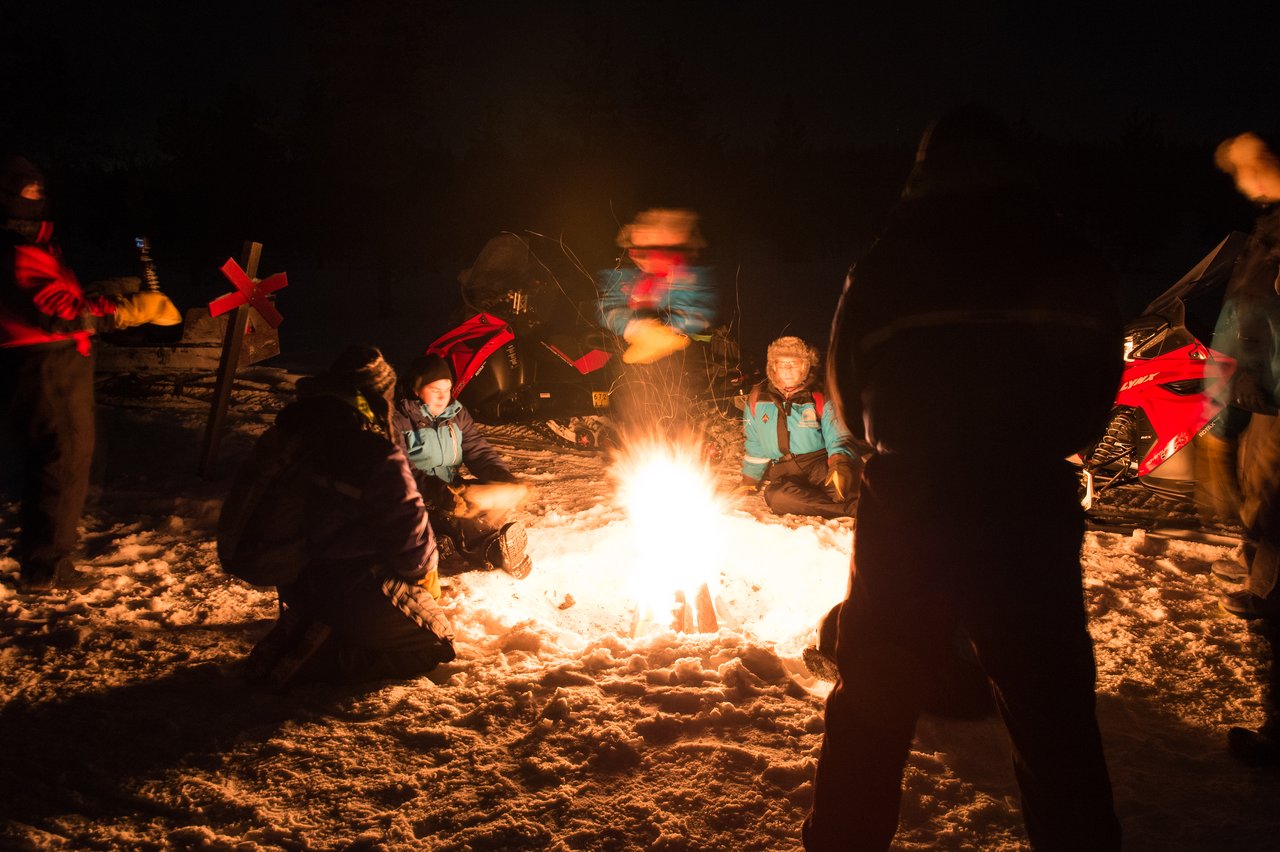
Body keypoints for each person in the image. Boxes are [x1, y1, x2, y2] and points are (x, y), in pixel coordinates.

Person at [804, 106, 1123, 850]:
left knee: (873, 710)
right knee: (1054, 719)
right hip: (1027, 512)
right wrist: (1039, 440)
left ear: (925, 170)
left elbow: (847, 396)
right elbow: (1098, 383)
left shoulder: (889, 261)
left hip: (912, 509)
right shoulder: (1064, 252)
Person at [220, 345, 455, 688]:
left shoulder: (302, 431)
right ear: (377, 395)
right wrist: (425, 582)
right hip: (353, 583)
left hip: (297, 581)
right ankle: (326, 655)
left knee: (357, 609)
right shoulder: (369, 448)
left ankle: (309, 628)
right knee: (435, 643)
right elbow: (410, 540)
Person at [0, 153, 180, 593]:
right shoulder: (17, 249)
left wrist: (110, 295)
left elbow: (58, 297)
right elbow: (59, 314)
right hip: (47, 366)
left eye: (40, 189)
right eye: (27, 190)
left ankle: (43, 555)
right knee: (63, 460)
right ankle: (48, 566)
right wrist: (126, 311)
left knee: (62, 460)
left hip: (48, 364)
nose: (38, 197)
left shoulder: (32, 245)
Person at [1204, 131, 1280, 764]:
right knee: (1261, 527)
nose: (1243, 182)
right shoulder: (1267, 234)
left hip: (1275, 415)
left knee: (1275, 535)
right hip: (1258, 410)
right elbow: (1239, 325)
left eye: (1248, 167)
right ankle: (1263, 587)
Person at [391, 353, 533, 578]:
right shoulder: (398, 419)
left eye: (447, 390)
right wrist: (438, 491)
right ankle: (492, 550)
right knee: (457, 518)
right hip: (417, 496)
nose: (442, 397)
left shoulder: (457, 415)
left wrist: (504, 480)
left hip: (451, 490)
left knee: (481, 501)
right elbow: (402, 471)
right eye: (435, 390)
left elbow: (479, 452)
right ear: (417, 390)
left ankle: (447, 542)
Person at [598, 208, 718, 439]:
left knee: (673, 408)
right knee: (635, 409)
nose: (647, 259)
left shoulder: (687, 277)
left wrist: (669, 328)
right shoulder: (622, 276)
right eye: (640, 252)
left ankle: (676, 449)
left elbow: (699, 308)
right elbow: (606, 308)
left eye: (658, 251)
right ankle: (637, 451)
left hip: (676, 361)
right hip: (633, 361)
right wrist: (634, 327)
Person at [739, 335, 858, 518]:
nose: (787, 370)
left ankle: (843, 503)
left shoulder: (819, 395)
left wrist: (839, 465)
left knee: (844, 489)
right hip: (784, 471)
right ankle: (848, 510)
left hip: (818, 464)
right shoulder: (758, 398)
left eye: (793, 364)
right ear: (773, 367)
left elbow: (838, 436)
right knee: (777, 498)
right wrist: (749, 479)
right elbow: (755, 443)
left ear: (804, 366)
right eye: (782, 364)